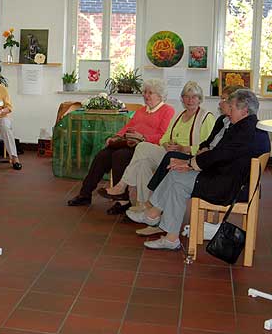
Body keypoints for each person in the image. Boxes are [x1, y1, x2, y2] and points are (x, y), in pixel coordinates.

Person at [126, 89, 262, 250]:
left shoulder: (244, 130)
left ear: (244, 110)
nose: (228, 110)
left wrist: (190, 163)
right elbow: (218, 153)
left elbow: (220, 154)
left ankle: (155, 217)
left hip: (229, 186)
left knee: (177, 177)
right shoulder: (247, 125)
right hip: (228, 177)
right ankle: (165, 230)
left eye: (231, 107)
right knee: (176, 174)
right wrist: (191, 163)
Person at [100, 81, 215, 214]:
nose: (189, 100)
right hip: (168, 152)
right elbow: (164, 137)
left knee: (142, 151)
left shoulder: (206, 117)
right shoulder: (179, 115)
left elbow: (209, 145)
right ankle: (143, 204)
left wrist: (185, 148)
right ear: (182, 98)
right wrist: (166, 144)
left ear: (200, 99)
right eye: (186, 96)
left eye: (194, 97)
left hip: (188, 157)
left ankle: (123, 186)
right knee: (143, 160)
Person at [67, 79, 174, 208]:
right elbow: (128, 126)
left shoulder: (167, 111)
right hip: (128, 142)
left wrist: (143, 137)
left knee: (120, 156)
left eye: (150, 93)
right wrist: (116, 136)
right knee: (103, 155)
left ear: (160, 95)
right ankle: (85, 194)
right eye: (145, 92)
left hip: (145, 147)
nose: (146, 95)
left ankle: (122, 199)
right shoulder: (141, 110)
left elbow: (163, 136)